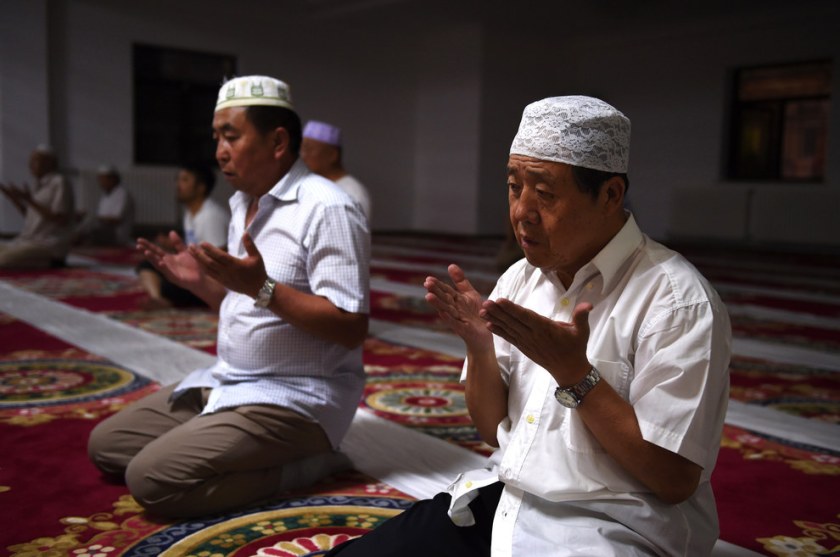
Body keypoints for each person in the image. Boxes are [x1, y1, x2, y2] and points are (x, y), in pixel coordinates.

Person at [326, 96, 732, 556]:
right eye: (514, 187)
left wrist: (576, 376)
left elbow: (674, 479)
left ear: (610, 195)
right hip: (508, 507)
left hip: (613, 531)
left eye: (544, 193)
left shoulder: (676, 301)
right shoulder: (520, 278)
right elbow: (490, 428)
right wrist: (479, 347)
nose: (521, 211)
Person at [87, 75, 370, 518]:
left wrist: (263, 288)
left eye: (231, 136)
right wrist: (202, 285)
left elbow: (351, 327)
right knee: (107, 446)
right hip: (229, 380)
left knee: (152, 480)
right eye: (216, 136)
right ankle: (223, 438)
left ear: (278, 141)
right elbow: (247, 305)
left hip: (298, 397)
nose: (219, 150)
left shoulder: (326, 207)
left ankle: (310, 464)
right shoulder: (243, 202)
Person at [135, 163, 229, 309]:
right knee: (151, 265)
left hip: (211, 283)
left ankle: (160, 298)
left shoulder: (211, 216)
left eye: (185, 180)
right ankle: (158, 298)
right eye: (178, 179)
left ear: (201, 187)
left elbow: (219, 260)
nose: (178, 185)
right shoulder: (191, 212)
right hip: (199, 274)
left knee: (164, 279)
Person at [0, 144, 75, 268]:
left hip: (48, 244)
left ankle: (53, 262)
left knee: (3, 260)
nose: (30, 165)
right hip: (28, 241)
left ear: (51, 163)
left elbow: (61, 219)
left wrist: (29, 200)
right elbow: (33, 217)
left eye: (35, 161)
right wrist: (14, 200)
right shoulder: (38, 185)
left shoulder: (60, 182)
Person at [300, 120, 372, 220]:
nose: (303, 156)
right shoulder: (314, 185)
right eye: (302, 149)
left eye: (309, 149)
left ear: (332, 155)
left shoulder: (352, 192)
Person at [76, 165, 135, 246]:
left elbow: (115, 220)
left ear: (112, 179)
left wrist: (94, 219)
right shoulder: (106, 195)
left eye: (103, 180)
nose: (101, 183)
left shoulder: (122, 194)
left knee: (90, 224)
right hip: (106, 230)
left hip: (117, 234)